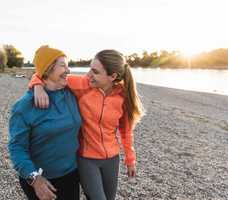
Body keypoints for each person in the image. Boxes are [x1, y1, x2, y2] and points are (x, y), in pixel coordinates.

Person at [29, 49, 144, 200]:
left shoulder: (122, 95)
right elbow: (46, 75)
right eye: (90, 68)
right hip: (87, 159)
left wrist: (130, 160)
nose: (89, 74)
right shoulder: (82, 84)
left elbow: (126, 131)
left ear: (113, 76)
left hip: (112, 159)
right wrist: (37, 86)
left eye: (95, 72)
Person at [8, 45, 82, 200]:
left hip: (71, 174)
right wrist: (34, 179)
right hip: (42, 178)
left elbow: (102, 81)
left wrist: (37, 82)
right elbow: (16, 147)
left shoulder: (71, 93)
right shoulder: (24, 106)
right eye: (63, 65)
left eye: (68, 66)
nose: (68, 70)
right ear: (48, 69)